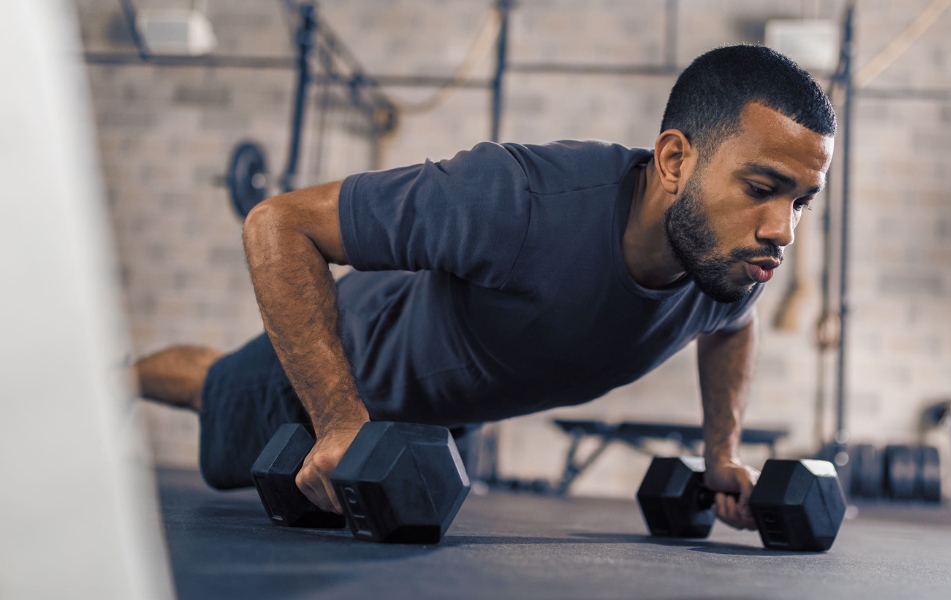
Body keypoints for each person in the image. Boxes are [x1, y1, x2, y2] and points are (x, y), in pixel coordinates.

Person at [135, 44, 835, 532]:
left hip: (442, 422)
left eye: (802, 201)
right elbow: (278, 222)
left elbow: (732, 327)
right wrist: (341, 420)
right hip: (349, 372)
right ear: (676, 158)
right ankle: (115, 378)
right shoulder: (517, 200)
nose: (784, 229)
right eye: (762, 188)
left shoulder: (731, 263)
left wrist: (722, 453)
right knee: (215, 388)